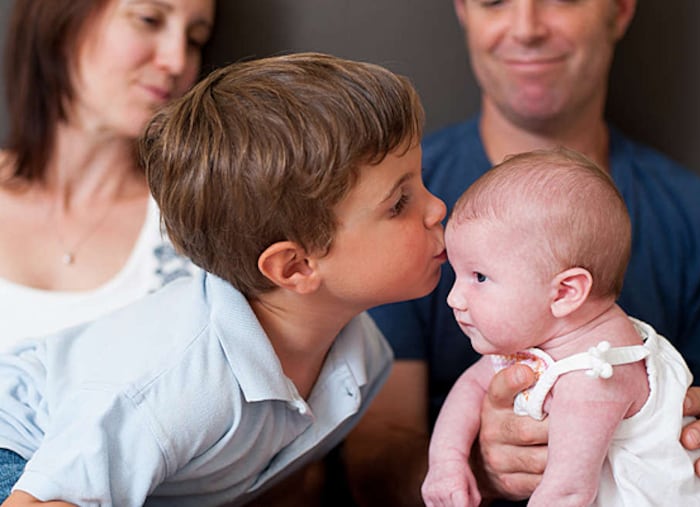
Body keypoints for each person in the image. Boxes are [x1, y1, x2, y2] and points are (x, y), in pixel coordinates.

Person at [344, 1, 700, 506]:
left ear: (620, 10)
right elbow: (368, 460)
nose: (527, 28)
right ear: (463, 11)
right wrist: (478, 464)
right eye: (495, 0)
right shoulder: (394, 210)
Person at [0, 52, 448, 506]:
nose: (437, 209)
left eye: (421, 181)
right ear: (294, 267)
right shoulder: (178, 384)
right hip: (21, 454)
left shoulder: (358, 354)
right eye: (398, 203)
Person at [421, 148, 700, 506]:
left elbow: (567, 493)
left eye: (479, 277)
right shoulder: (540, 339)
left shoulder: (596, 374)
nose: (454, 298)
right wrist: (446, 463)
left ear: (566, 292)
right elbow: (471, 387)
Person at [0, 0, 213, 349]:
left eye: (195, 40)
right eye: (148, 19)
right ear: (63, 17)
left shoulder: (192, 227)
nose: (176, 61)